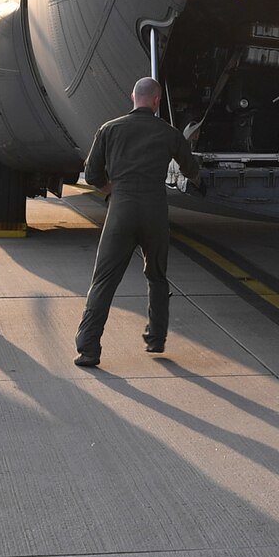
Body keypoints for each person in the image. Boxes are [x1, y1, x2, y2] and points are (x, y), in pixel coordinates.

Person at [72, 77, 199, 368]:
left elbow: (91, 175)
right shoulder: (169, 133)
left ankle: (88, 350)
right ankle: (156, 338)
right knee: (156, 275)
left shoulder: (109, 129)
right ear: (156, 101)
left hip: (121, 209)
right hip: (154, 211)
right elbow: (191, 170)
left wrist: (111, 190)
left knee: (103, 281)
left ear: (132, 97)